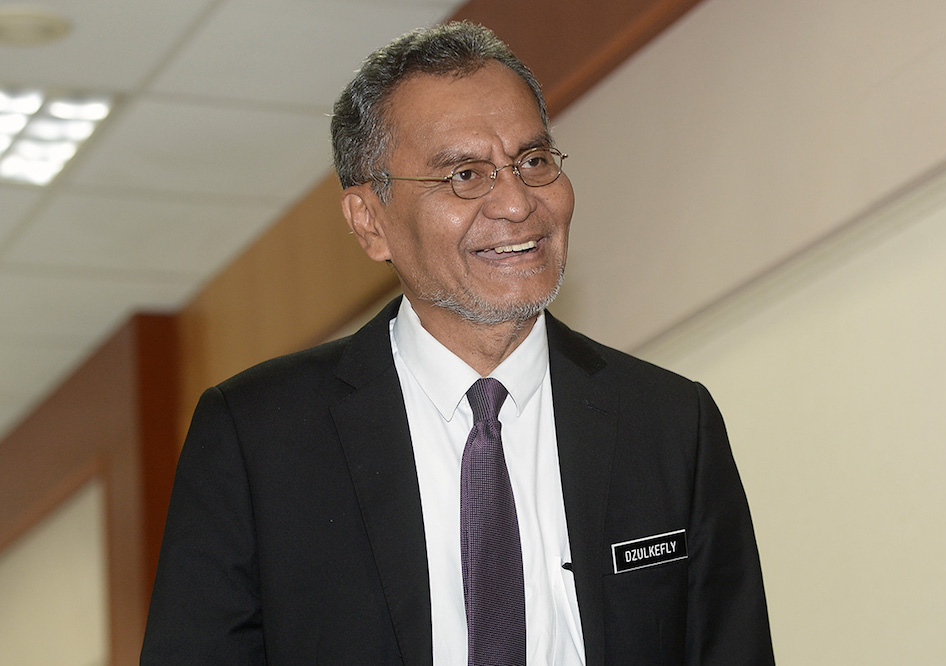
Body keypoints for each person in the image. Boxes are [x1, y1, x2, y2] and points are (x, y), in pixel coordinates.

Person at [141, 21, 773, 665]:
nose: (517, 202)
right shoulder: (259, 437)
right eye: (465, 175)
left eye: (533, 161)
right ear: (370, 223)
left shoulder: (668, 423)